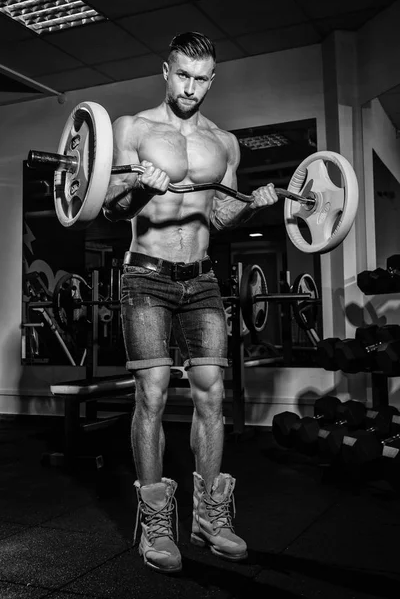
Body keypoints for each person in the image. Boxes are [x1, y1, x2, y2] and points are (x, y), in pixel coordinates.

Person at [103, 31, 279, 574]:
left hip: (201, 278)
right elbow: (110, 207)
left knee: (211, 393)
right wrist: (142, 190)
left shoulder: (224, 144)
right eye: (183, 74)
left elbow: (219, 219)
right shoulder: (132, 128)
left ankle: (209, 516)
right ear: (165, 70)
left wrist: (253, 207)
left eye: (202, 79)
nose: (191, 88)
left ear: (212, 79)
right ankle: (155, 522)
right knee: (152, 393)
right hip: (146, 275)